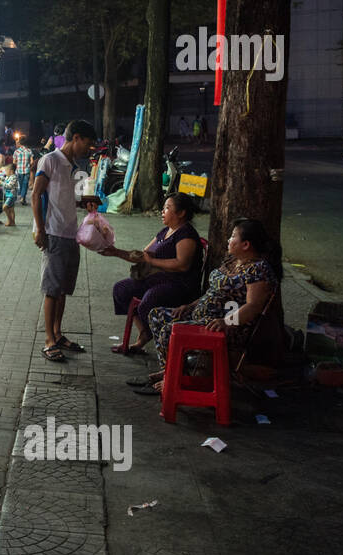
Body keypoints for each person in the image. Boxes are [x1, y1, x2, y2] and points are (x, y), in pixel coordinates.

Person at [137, 218, 281, 395]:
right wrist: (189, 306)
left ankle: (172, 379)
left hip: (226, 328)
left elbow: (253, 306)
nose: (229, 239)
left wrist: (227, 322)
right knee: (156, 315)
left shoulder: (258, 270)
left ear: (245, 244)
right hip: (202, 317)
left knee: (170, 330)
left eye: (233, 236)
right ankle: (171, 370)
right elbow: (213, 292)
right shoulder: (231, 262)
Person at [103, 193, 203, 355]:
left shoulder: (186, 235)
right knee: (121, 289)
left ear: (181, 213)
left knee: (149, 300)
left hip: (179, 284)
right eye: (163, 208)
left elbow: (182, 265)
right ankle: (145, 332)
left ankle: (157, 342)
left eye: (167, 208)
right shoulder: (165, 231)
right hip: (157, 279)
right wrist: (115, 252)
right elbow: (143, 256)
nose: (163, 211)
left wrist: (153, 262)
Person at [31, 120, 96, 362]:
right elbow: (36, 195)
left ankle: (57, 334)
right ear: (76, 137)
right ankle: (48, 340)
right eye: (87, 144)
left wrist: (86, 202)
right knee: (51, 289)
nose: (88, 149)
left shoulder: (74, 166)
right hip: (54, 233)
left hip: (72, 234)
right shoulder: (50, 160)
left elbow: (70, 199)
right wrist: (40, 229)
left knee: (62, 291)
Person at [13, 136, 34, 205]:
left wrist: (18, 163)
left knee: (21, 184)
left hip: (19, 170)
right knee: (25, 184)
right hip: (27, 170)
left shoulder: (16, 151)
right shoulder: (29, 151)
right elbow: (32, 162)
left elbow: (14, 162)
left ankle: (22, 197)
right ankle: (23, 198)